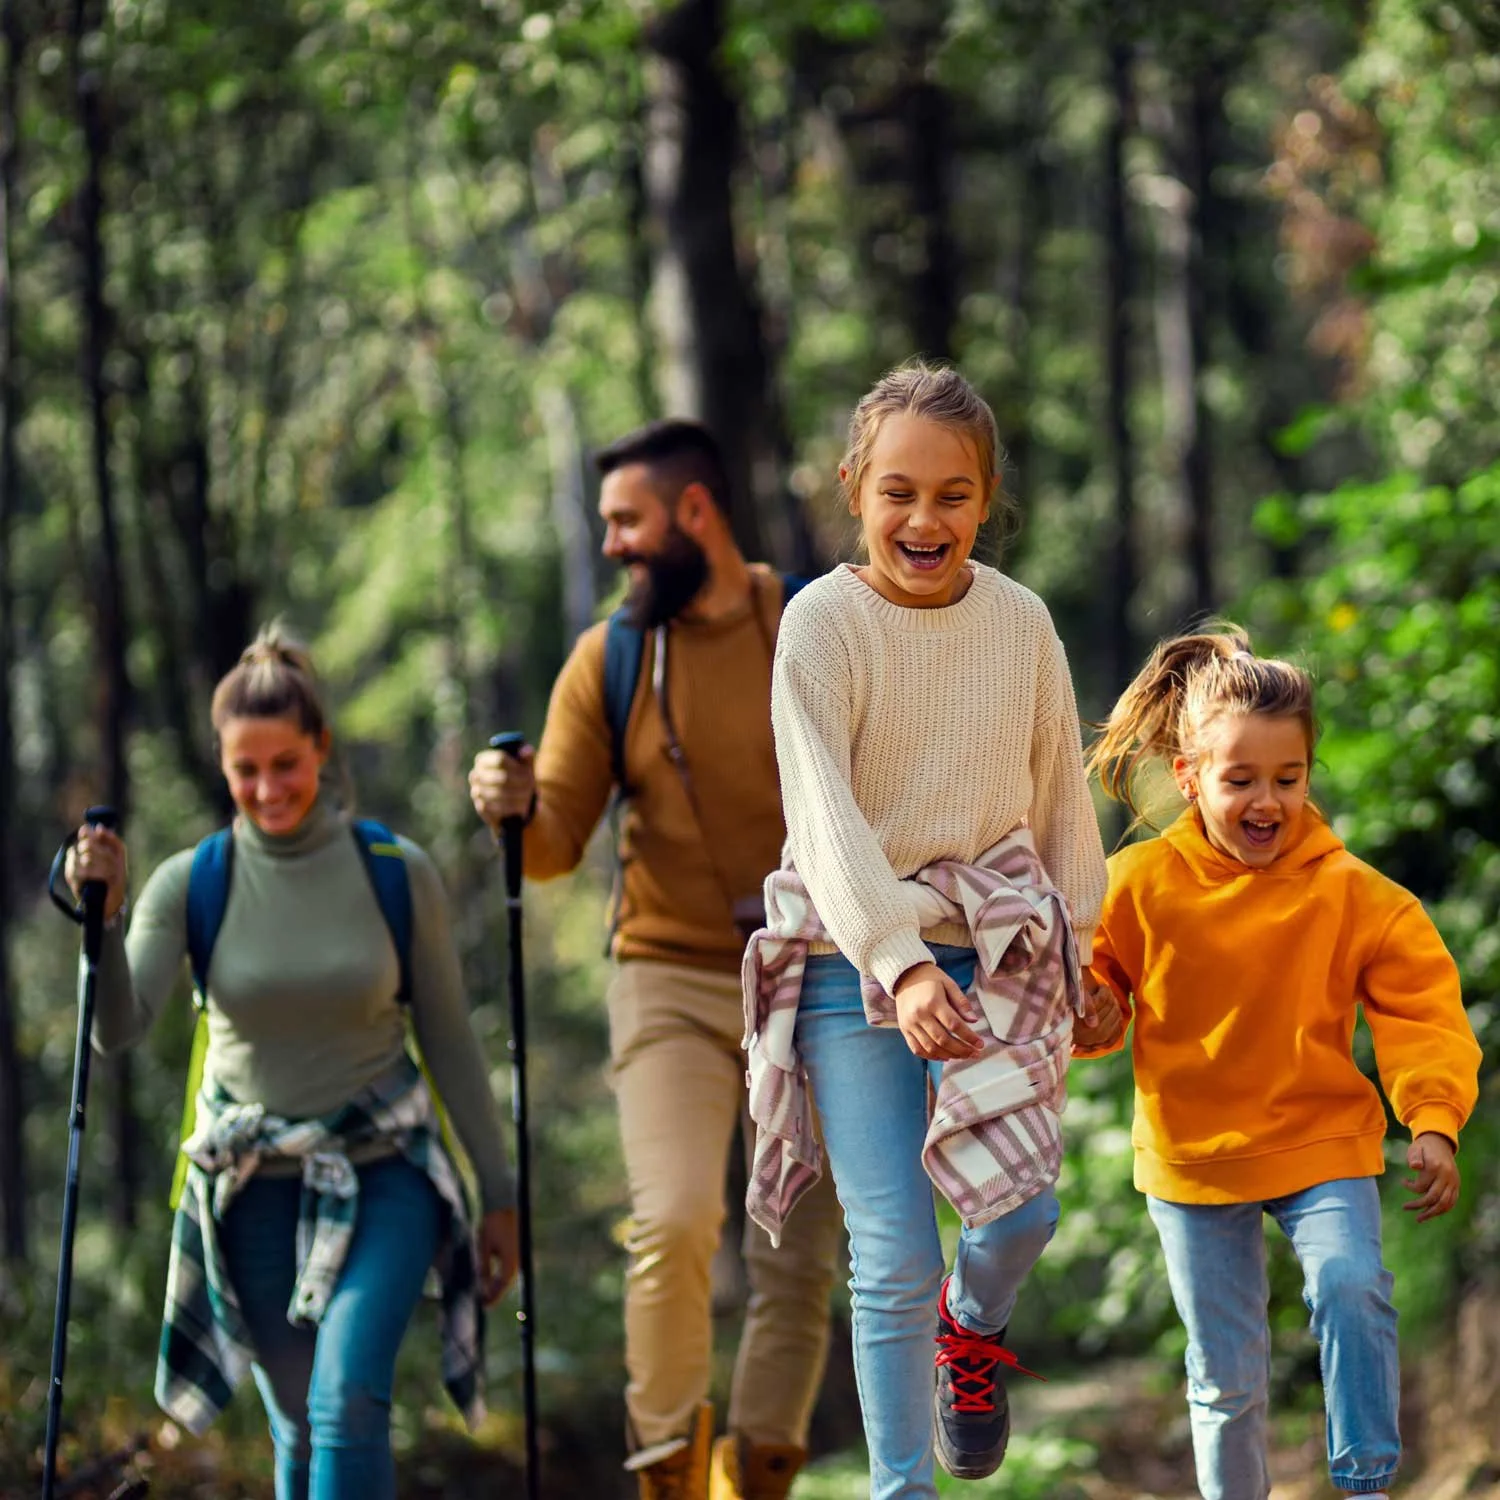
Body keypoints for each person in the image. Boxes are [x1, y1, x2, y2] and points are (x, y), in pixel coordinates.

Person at [741, 360, 1109, 1500]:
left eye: (953, 495)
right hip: (858, 968)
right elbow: (826, 819)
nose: (924, 519)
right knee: (892, 1251)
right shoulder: (821, 626)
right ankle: (904, 1489)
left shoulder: (1020, 624)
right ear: (855, 489)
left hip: (998, 946)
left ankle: (973, 1328)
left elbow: (1060, 798)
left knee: (1023, 1212)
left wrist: (1089, 953)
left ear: (987, 499)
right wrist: (898, 965)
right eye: (898, 491)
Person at [468, 419, 842, 1500]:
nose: (615, 545)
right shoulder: (611, 660)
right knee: (674, 1218)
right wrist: (515, 806)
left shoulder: (815, 623)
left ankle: (760, 1472)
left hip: (814, 969)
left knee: (798, 1256)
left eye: (627, 522)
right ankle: (667, 1478)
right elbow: (549, 852)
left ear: (694, 513)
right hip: (669, 975)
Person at [66, 626, 519, 1500]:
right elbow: (115, 1028)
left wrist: (498, 1194)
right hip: (250, 1186)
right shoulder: (191, 882)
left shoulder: (395, 871)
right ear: (223, 764)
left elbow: (452, 1043)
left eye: (286, 763)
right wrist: (101, 924)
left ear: (321, 749)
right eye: (247, 770)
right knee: (301, 1427)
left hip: (388, 1169)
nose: (268, 788)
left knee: (348, 1395)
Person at [1077, 624, 1481, 1500]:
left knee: (1350, 1286)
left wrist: (1435, 1120)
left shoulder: (1355, 894)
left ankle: (1367, 1481)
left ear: (1308, 776)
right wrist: (1095, 1007)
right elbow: (1090, 995)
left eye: (1288, 780)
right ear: (1189, 779)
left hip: (1318, 1137)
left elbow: (1421, 1011)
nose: (1268, 801)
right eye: (1241, 781)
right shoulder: (1138, 882)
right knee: (1225, 1376)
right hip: (1192, 1156)